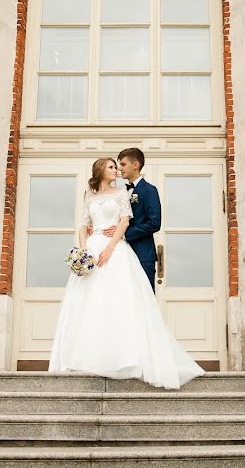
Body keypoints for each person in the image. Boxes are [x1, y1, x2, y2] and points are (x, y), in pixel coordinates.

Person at [48, 157, 204, 389]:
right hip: (92, 247)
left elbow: (124, 221)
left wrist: (111, 246)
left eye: (119, 165)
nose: (117, 170)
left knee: (118, 300)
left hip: (116, 249)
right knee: (89, 302)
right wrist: (83, 249)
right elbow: (83, 224)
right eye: (112, 166)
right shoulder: (89, 195)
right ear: (100, 170)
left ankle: (124, 356)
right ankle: (86, 355)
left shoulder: (122, 194)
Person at [101, 148, 160, 291]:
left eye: (123, 164)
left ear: (136, 165)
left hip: (142, 254)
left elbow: (154, 223)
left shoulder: (149, 190)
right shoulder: (119, 192)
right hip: (121, 254)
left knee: (144, 298)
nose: (119, 169)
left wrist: (125, 234)